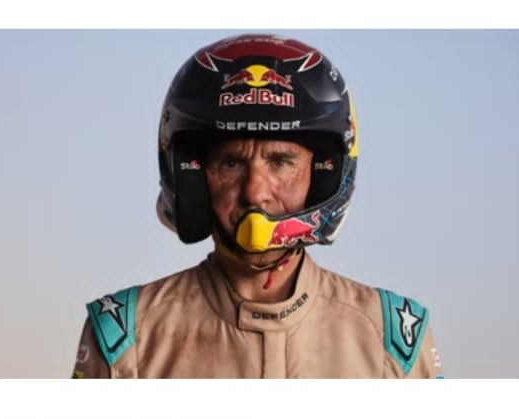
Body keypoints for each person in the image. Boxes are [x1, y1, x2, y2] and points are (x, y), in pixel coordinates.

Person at [71, 34, 442, 378]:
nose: (255, 192)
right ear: (193, 176)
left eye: (280, 162)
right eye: (231, 163)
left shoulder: (394, 340)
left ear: (322, 174)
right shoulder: (124, 337)